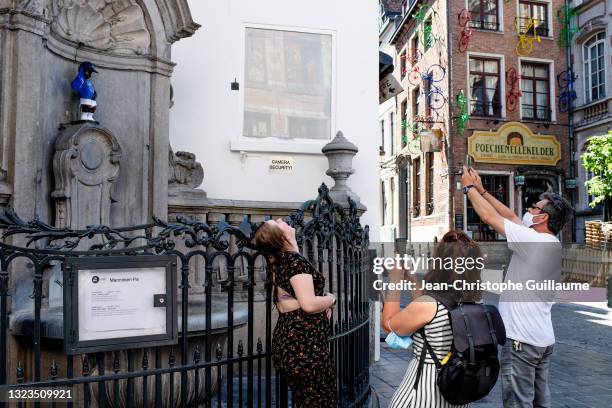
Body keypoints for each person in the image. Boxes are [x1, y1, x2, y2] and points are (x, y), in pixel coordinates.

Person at [461, 166, 573, 408]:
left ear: (543, 218)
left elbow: (490, 218)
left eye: (534, 207)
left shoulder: (534, 241)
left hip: (522, 341)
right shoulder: (547, 241)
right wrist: (482, 191)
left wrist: (468, 188)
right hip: (542, 340)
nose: (529, 210)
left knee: (518, 402)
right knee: (540, 401)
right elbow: (511, 217)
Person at [382, 230, 483, 408]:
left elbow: (389, 324)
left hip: (421, 395)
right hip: (455, 392)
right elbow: (426, 319)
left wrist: (395, 280)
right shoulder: (474, 302)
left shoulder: (428, 305)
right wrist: (413, 280)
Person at [253, 218, 337, 407]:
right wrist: (331, 299)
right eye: (277, 222)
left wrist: (319, 302)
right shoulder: (294, 262)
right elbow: (308, 304)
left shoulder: (285, 260)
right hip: (304, 347)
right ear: (282, 237)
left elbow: (293, 300)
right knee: (321, 401)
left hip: (293, 344)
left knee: (307, 401)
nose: (281, 220)